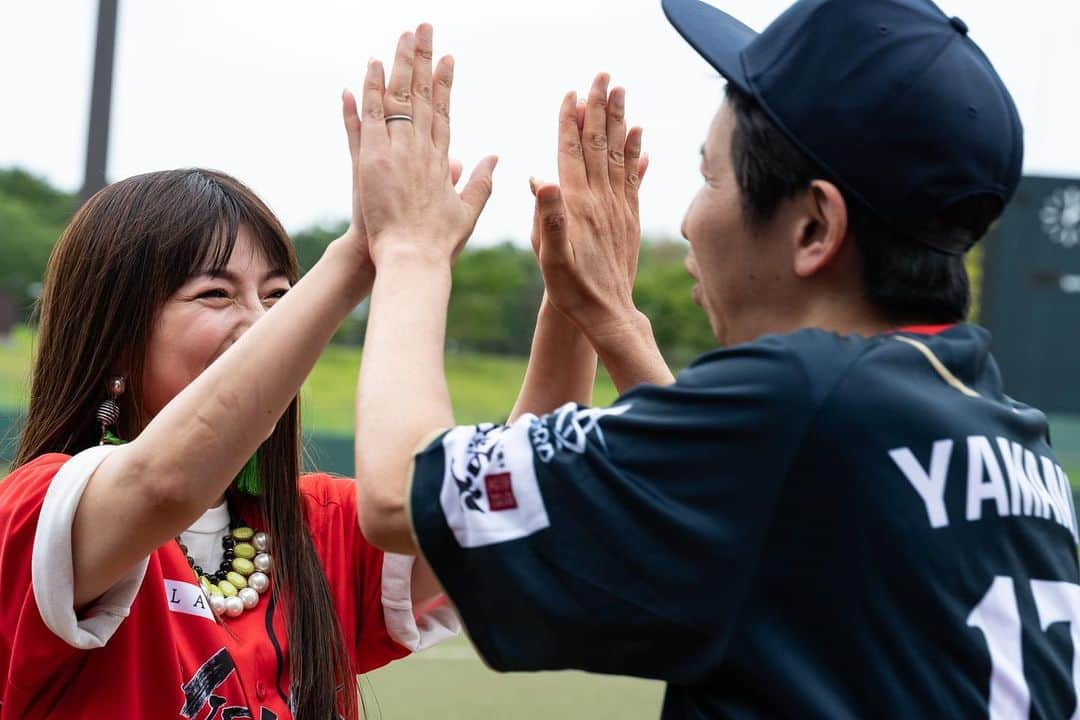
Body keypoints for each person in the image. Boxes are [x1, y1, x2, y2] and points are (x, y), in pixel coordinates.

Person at [350, 3, 1080, 719]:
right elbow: (743, 513)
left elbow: (396, 497)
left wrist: (410, 245)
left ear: (814, 226)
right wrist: (608, 317)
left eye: (709, 179)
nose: (691, 221)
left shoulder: (798, 406)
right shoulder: (1002, 428)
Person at [0, 66, 501, 717]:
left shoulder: (314, 527)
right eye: (215, 293)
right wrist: (370, 257)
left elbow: (489, 524)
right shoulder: (37, 512)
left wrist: (575, 311)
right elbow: (163, 487)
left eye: (279, 297)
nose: (267, 327)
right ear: (115, 347)